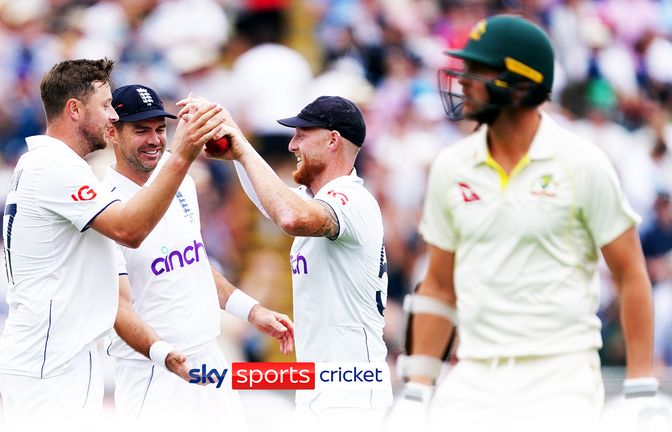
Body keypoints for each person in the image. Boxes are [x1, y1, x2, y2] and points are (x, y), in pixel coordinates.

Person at [392, 15, 656, 432]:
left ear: (522, 84)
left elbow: (630, 275)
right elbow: (439, 286)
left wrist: (642, 385)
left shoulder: (582, 164)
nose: (463, 80)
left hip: (561, 377)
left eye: (479, 71)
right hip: (475, 376)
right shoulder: (450, 166)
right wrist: (417, 388)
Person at [0, 59, 225, 430]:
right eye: (105, 106)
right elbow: (130, 230)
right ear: (74, 109)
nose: (112, 116)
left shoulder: (49, 163)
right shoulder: (55, 167)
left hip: (56, 356)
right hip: (49, 363)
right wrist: (181, 156)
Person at [181, 94, 393, 429]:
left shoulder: (350, 197)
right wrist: (237, 149)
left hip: (351, 393)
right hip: (324, 386)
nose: (293, 145)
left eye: (302, 135)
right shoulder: (319, 200)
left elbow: (289, 217)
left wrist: (242, 148)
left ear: (332, 140)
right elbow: (273, 203)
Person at [102, 84, 294, 428]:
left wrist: (253, 311)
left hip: (209, 358)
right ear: (112, 133)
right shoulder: (102, 206)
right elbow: (117, 306)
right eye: (141, 130)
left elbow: (194, 264)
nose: (154, 139)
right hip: (154, 373)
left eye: (160, 129)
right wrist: (167, 357)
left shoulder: (183, 185)